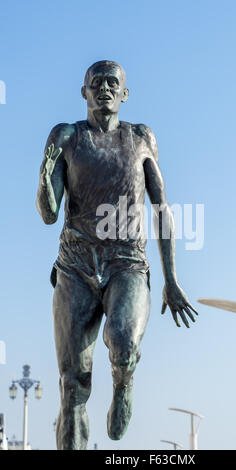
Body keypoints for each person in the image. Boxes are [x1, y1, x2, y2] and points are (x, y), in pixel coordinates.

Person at [36, 60, 198, 450]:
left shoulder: (141, 137)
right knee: (72, 384)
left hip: (127, 262)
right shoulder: (68, 136)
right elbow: (48, 214)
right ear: (84, 93)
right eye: (96, 83)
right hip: (76, 265)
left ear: (124, 94)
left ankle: (124, 381)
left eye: (113, 83)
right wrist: (45, 173)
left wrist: (171, 280)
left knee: (123, 343)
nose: (104, 88)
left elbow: (161, 209)